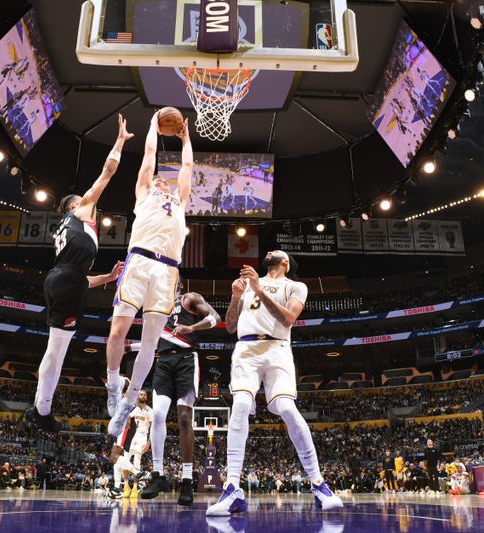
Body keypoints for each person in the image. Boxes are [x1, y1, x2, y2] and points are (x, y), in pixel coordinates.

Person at [206, 250, 343, 516]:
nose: (268, 251)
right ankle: (232, 487)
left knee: (288, 408)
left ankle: (318, 483)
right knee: (241, 404)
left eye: (275, 251)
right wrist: (236, 298)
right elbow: (231, 325)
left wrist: (258, 288)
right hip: (246, 348)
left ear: (285, 262)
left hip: (277, 347)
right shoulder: (246, 285)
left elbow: (288, 318)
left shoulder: (295, 286)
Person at [26, 114, 132, 432]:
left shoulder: (70, 229)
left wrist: (108, 279)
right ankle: (41, 411)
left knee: (56, 348)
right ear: (74, 206)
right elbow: (108, 172)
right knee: (56, 351)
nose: (93, 205)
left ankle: (40, 408)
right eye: (84, 201)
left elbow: (79, 277)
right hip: (65, 279)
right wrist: (120, 141)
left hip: (63, 278)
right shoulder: (82, 209)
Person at [105, 113, 192, 437]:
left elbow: (186, 169)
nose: (161, 180)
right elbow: (149, 156)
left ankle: (128, 401)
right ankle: (113, 383)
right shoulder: (144, 194)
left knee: (149, 344)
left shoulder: (179, 201)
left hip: (167, 269)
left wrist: (185, 140)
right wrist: (153, 126)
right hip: (139, 262)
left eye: (163, 180)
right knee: (117, 334)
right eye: (157, 179)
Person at [140, 290, 220, 506]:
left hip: (186, 359)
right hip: (163, 361)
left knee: (184, 418)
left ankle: (186, 480)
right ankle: (158, 476)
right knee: (157, 414)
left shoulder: (189, 298)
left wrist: (191, 328)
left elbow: (215, 318)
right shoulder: (157, 305)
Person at [109, 391, 152, 499]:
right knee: (122, 460)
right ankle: (125, 486)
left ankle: (135, 486)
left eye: (144, 394)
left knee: (135, 461)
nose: (142, 396)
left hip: (141, 436)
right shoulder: (130, 405)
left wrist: (149, 442)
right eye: (141, 394)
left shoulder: (146, 410)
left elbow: (152, 427)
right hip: (129, 434)